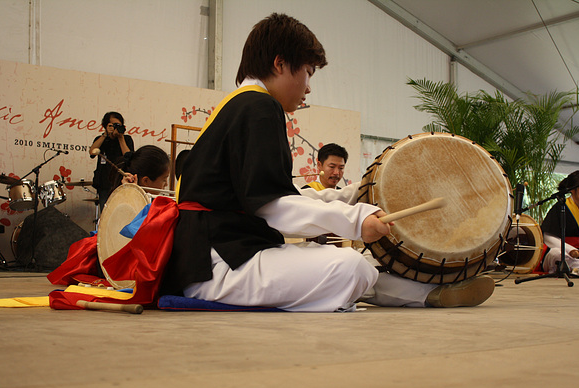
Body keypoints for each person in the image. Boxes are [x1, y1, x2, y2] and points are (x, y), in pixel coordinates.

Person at [159, 13, 494, 312]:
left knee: (341, 264)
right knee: (351, 266)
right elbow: (272, 207)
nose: (308, 87)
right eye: (307, 71)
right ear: (279, 63)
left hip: (216, 255)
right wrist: (354, 220)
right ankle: (420, 293)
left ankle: (427, 295)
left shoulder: (237, 105)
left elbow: (265, 199)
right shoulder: (258, 108)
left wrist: (352, 216)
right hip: (218, 265)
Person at [540, 170, 579, 277]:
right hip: (564, 250)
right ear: (572, 190)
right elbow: (547, 236)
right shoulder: (560, 207)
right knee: (557, 255)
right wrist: (570, 250)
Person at [90, 111, 134, 211]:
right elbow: (92, 152)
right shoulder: (101, 139)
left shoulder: (127, 139)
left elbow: (129, 157)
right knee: (105, 213)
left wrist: (120, 137)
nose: (116, 128)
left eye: (118, 125)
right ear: (105, 126)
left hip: (121, 182)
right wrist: (105, 135)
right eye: (113, 125)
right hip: (104, 183)